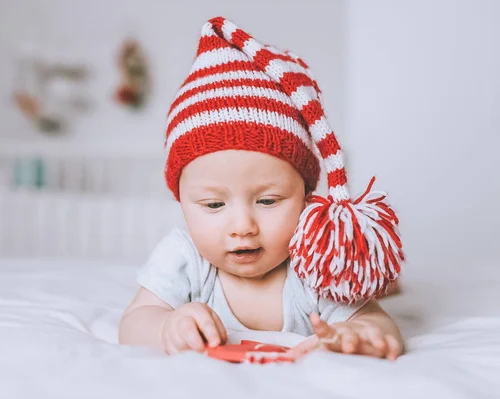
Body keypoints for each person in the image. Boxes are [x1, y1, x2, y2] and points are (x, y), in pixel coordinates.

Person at [119, 16, 405, 361]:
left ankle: (387, 283)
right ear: (182, 201)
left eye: (268, 200)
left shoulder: (312, 262)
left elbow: (378, 324)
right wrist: (166, 326)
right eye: (213, 205)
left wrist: (358, 334)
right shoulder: (185, 258)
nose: (243, 226)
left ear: (307, 197)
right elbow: (134, 323)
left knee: (371, 294)